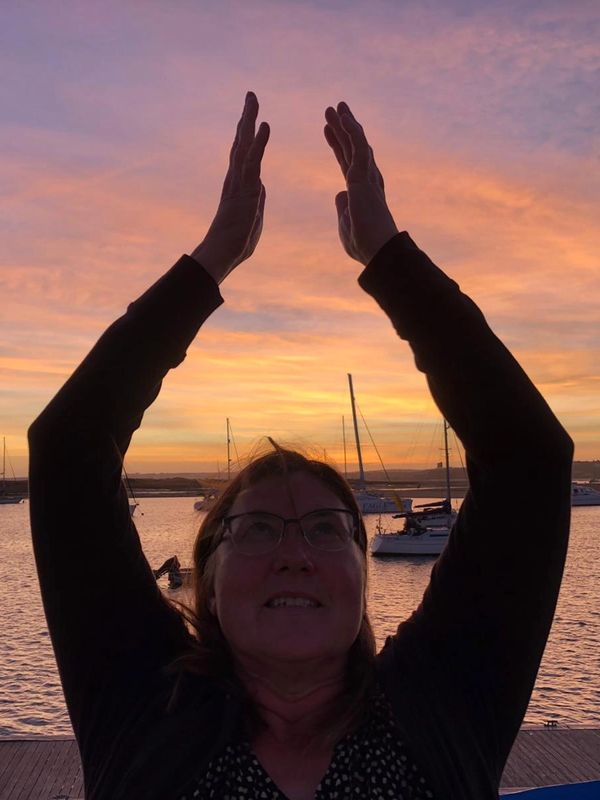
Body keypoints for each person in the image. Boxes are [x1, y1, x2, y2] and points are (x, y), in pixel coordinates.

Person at [28, 93, 573, 800]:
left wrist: (389, 257)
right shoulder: (143, 705)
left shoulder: (443, 702)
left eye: (325, 528)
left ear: (361, 571)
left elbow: (528, 462)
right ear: (211, 581)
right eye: (256, 529)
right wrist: (211, 259)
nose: (295, 553)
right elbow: (69, 449)